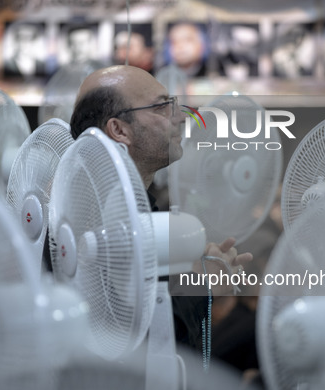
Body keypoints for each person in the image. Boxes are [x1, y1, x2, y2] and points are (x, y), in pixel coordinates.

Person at [68, 65, 253, 349]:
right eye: (161, 107)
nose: (180, 117)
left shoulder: (128, 208)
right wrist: (204, 287)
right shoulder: (98, 223)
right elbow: (139, 340)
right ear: (119, 130)